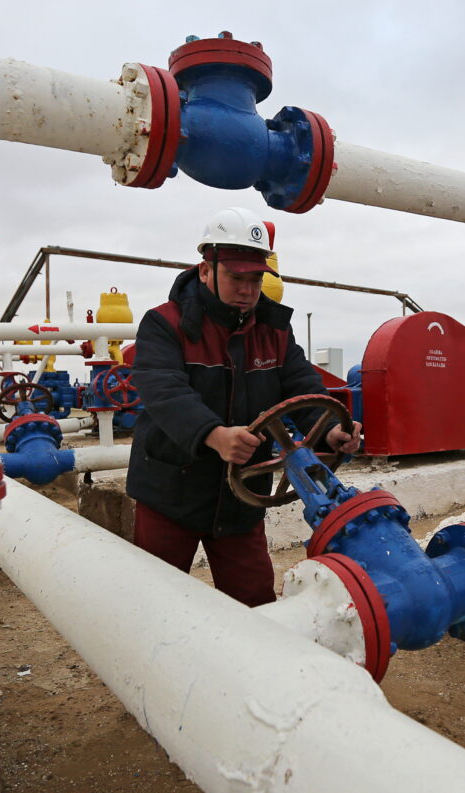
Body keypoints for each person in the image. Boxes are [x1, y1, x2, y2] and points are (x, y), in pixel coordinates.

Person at [127, 207, 362, 606]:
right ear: (205, 270)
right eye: (236, 277)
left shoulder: (274, 330)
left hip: (242, 497)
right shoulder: (163, 324)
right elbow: (164, 391)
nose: (247, 289)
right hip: (171, 492)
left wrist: (329, 431)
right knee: (155, 602)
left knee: (255, 602)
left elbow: (300, 386)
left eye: (255, 278)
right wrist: (213, 435)